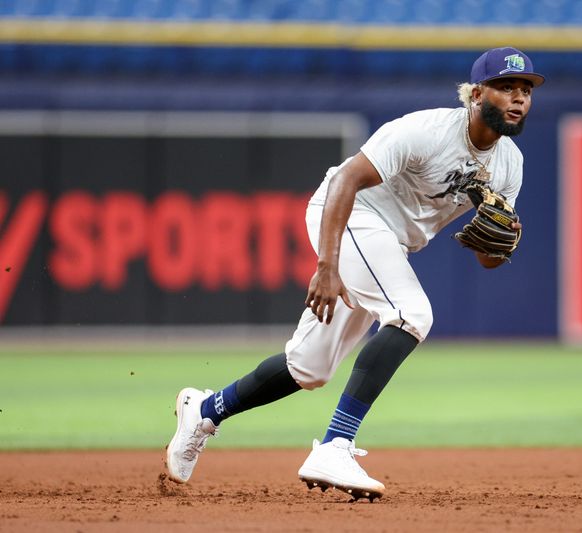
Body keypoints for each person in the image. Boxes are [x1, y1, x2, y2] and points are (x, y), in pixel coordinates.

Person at [166, 46, 544, 501]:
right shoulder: (424, 131)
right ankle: (335, 444)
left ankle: (204, 410)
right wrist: (328, 266)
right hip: (349, 216)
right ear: (476, 93)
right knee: (410, 314)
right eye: (506, 87)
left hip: (389, 242)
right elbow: (346, 180)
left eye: (525, 89)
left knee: (308, 367)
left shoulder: (510, 164)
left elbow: (488, 258)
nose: (519, 97)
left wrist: (503, 242)